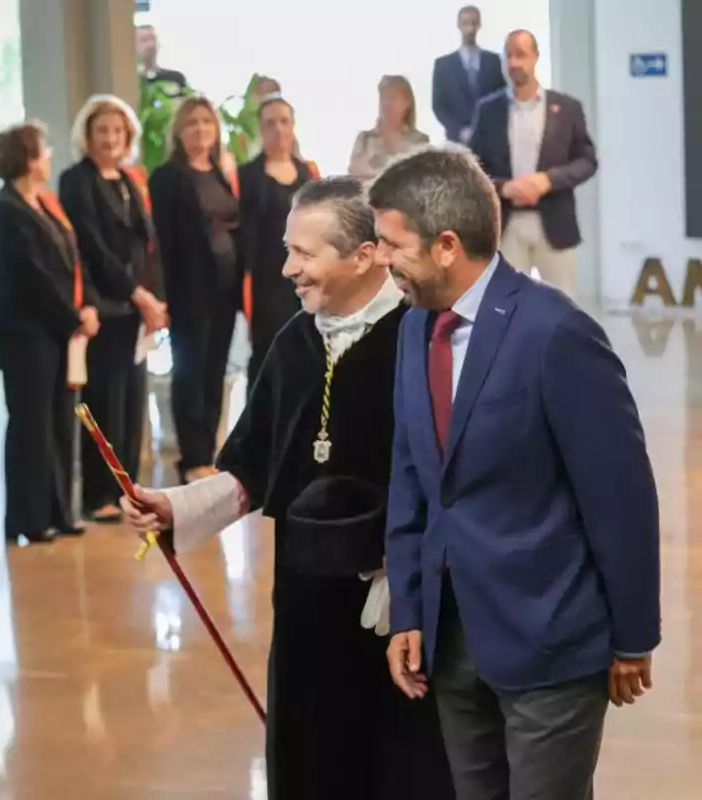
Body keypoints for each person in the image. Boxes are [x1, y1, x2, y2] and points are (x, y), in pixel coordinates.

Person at [121, 177, 454, 800]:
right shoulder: (294, 341)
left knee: (400, 763)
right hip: (306, 602)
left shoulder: (422, 338)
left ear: (364, 255)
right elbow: (253, 466)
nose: (286, 269)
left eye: (305, 254)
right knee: (311, 758)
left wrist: (408, 579)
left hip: (400, 606)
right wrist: (174, 506)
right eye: (286, 250)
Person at [369, 145, 660, 800]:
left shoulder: (557, 334)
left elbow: (621, 499)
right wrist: (409, 608)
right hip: (449, 641)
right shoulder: (415, 330)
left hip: (551, 640)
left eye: (391, 243)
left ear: (446, 244)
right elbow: (413, 478)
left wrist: (634, 636)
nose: (380, 260)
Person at [0, 122, 100, 544]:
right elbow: (30, 277)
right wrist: (72, 316)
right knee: (32, 426)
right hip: (26, 332)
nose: (49, 156)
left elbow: (72, 262)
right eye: (42, 150)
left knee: (61, 423)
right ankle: (29, 517)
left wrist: (85, 306)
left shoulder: (45, 205)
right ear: (27, 159)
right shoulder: (6, 211)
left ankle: (60, 509)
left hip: (57, 329)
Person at [59, 95, 166, 524]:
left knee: (132, 401)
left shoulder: (128, 179)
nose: (109, 138)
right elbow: (94, 248)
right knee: (104, 401)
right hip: (104, 305)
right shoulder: (75, 181)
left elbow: (147, 243)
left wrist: (154, 297)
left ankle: (128, 488)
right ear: (87, 136)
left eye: (117, 131)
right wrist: (139, 295)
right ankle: (100, 494)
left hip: (135, 308)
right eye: (101, 130)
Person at [149, 97, 242, 485]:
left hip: (225, 291)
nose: (200, 130)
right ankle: (192, 457)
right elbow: (162, 244)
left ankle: (209, 449)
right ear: (179, 132)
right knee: (190, 373)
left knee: (215, 371)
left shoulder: (220, 172)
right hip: (190, 292)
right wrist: (163, 296)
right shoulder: (168, 177)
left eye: (206, 122)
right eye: (192, 124)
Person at [469, 29, 598, 298]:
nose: (515, 63)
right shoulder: (488, 110)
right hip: (507, 224)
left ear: (536, 57)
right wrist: (504, 188)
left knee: (563, 307)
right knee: (504, 306)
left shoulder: (567, 108)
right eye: (509, 55)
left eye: (522, 55)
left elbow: (587, 161)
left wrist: (548, 180)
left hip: (554, 222)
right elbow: (473, 168)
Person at [238, 93, 318, 385]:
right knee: (267, 355)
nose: (278, 129)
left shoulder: (307, 173)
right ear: (260, 129)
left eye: (284, 121)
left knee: (305, 354)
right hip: (266, 282)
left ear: (293, 125)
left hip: (306, 279)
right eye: (270, 123)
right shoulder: (247, 176)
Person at [432, 5, 506, 143]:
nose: (470, 28)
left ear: (479, 25)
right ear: (458, 25)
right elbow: (438, 105)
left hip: (490, 140)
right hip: (457, 141)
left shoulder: (493, 61)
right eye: (465, 23)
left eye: (474, 23)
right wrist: (458, 131)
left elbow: (502, 97)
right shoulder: (443, 65)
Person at [348, 75, 430, 182]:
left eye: (392, 98)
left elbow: (415, 176)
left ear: (407, 102)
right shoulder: (365, 139)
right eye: (383, 97)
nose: (386, 103)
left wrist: (391, 140)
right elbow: (356, 174)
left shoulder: (419, 140)